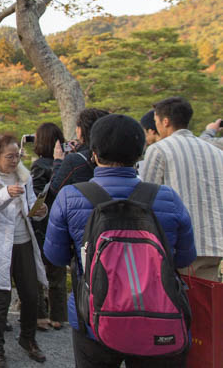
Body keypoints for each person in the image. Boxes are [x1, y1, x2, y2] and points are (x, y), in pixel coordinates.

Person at [44, 114, 196, 368]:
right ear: (140, 153)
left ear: (94, 152)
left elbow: (55, 257)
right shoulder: (167, 197)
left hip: (93, 318)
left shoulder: (71, 197)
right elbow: (184, 259)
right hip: (159, 317)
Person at [0, 133, 48, 368]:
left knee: (31, 295)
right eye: (10, 156)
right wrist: (5, 194)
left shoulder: (24, 176)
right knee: (0, 300)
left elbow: (30, 203)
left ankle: (28, 338)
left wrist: (40, 210)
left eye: (18, 155)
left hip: (23, 240)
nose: (15, 160)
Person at [142, 96, 223, 281]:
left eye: (156, 122)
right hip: (216, 243)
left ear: (165, 121)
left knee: (181, 303)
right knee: (207, 303)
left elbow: (146, 196)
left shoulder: (160, 149)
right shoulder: (217, 152)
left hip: (181, 244)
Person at [29, 123, 67, 331]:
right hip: (61, 221)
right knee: (57, 272)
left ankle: (40, 315)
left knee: (38, 271)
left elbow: (36, 197)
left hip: (42, 224)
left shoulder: (39, 165)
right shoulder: (66, 164)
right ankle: (59, 315)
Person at [46, 108, 109, 206]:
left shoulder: (74, 160)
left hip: (81, 210)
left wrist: (58, 161)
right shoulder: (113, 154)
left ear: (81, 130)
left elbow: (55, 189)